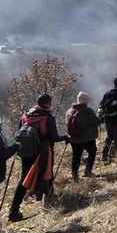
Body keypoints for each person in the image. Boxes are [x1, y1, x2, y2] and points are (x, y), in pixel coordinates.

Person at [9, 94, 70, 222]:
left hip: (26, 151)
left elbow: (20, 131)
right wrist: (65, 137)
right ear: (48, 104)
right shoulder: (48, 118)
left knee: (24, 179)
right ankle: (48, 201)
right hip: (43, 152)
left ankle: (13, 211)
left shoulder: (25, 116)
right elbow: (53, 137)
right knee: (47, 174)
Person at [66, 92, 100, 182]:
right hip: (87, 139)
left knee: (75, 157)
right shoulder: (88, 111)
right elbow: (96, 123)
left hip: (74, 139)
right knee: (92, 152)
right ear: (85, 101)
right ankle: (88, 171)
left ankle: (75, 177)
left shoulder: (69, 111)